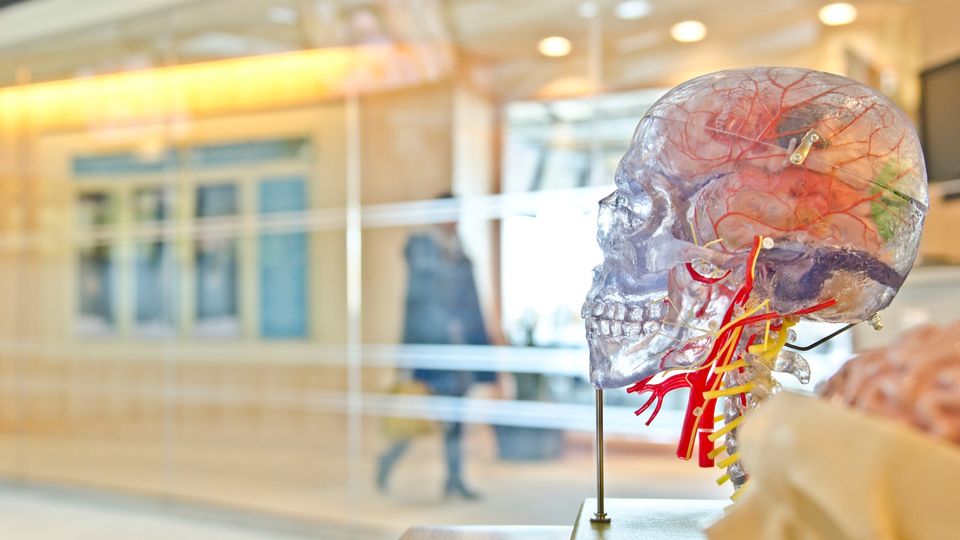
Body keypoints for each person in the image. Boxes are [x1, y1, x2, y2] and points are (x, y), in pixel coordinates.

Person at [377, 196, 491, 499]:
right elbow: (414, 305)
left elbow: (472, 306)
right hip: (432, 352)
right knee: (417, 417)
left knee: (455, 420)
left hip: (459, 353)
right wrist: (408, 355)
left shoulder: (460, 253)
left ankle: (454, 478)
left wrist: (482, 354)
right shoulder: (424, 250)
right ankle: (386, 460)